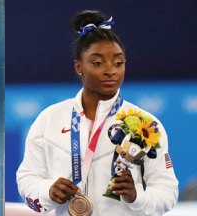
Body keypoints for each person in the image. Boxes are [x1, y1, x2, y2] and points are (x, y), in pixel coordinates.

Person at [16, 10, 178, 216]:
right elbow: (27, 178)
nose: (110, 70)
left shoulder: (145, 124)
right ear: (78, 67)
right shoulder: (49, 119)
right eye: (97, 63)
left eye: (118, 63)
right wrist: (47, 191)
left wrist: (136, 196)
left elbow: (168, 193)